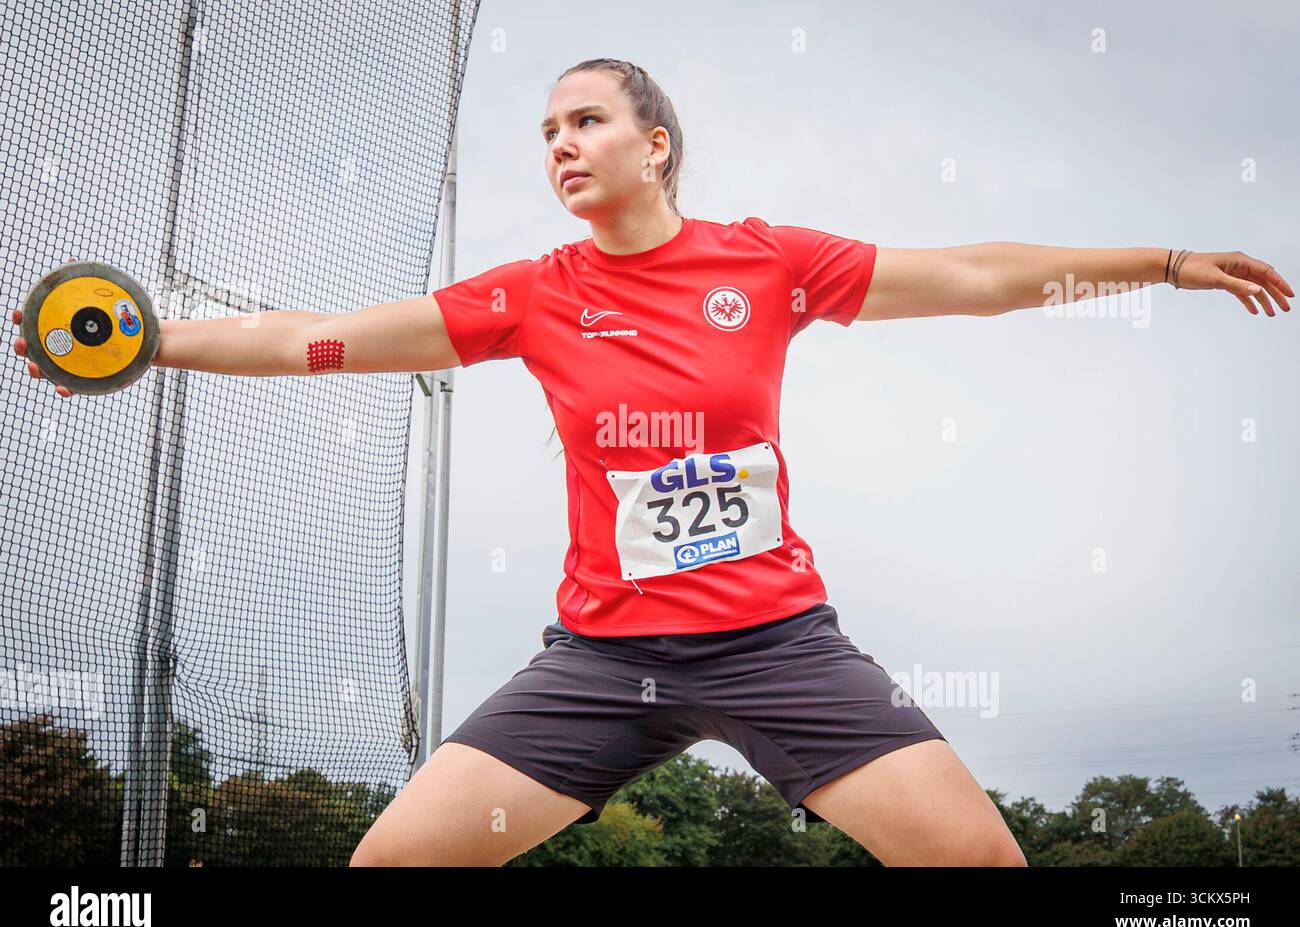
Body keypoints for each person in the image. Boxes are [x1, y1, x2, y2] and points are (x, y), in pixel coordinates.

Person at [13, 58, 1293, 866]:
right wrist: (145, 339)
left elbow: (967, 277)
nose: (560, 142)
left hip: (778, 644)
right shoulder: (533, 292)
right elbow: (318, 340)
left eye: (585, 119)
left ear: (654, 142)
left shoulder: (767, 261)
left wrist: (1164, 263)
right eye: (546, 129)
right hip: (601, 660)